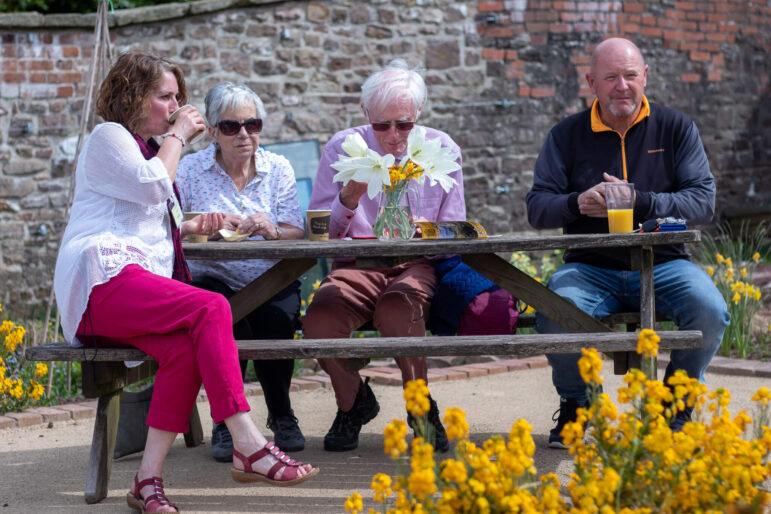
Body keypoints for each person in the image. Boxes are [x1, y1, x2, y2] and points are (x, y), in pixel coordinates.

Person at [53, 53, 317, 513]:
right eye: (165, 97)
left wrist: (194, 226)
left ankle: (146, 481)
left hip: (131, 284)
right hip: (101, 278)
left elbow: (154, 212)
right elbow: (152, 189)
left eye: (179, 98)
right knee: (212, 307)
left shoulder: (150, 149)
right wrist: (177, 136)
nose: (175, 107)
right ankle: (247, 441)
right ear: (135, 96)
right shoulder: (109, 136)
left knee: (184, 349)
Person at [526, 37, 730, 449]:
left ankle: (675, 402)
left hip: (664, 263)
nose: (622, 86)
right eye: (611, 77)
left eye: (631, 75)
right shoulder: (566, 135)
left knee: (711, 310)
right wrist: (576, 203)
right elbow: (537, 208)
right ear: (591, 82)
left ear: (646, 77)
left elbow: (703, 202)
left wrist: (641, 200)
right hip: (589, 267)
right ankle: (576, 404)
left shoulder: (676, 127)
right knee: (552, 315)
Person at [302, 59, 465, 453]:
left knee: (398, 307)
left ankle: (420, 407)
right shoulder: (343, 148)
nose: (393, 136)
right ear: (365, 115)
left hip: (415, 264)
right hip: (357, 263)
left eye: (404, 124)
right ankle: (353, 401)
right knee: (319, 319)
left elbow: (456, 230)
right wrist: (347, 200)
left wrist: (425, 230)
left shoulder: (441, 148)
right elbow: (316, 233)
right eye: (382, 125)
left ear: (419, 114)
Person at [176, 82, 306, 459]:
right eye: (232, 126)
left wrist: (273, 230)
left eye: (253, 124)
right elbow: (170, 226)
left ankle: (282, 415)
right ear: (213, 133)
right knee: (228, 322)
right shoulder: (189, 169)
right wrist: (205, 229)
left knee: (278, 320)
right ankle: (226, 422)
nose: (245, 134)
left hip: (271, 277)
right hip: (211, 277)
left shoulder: (277, 167)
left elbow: (296, 232)